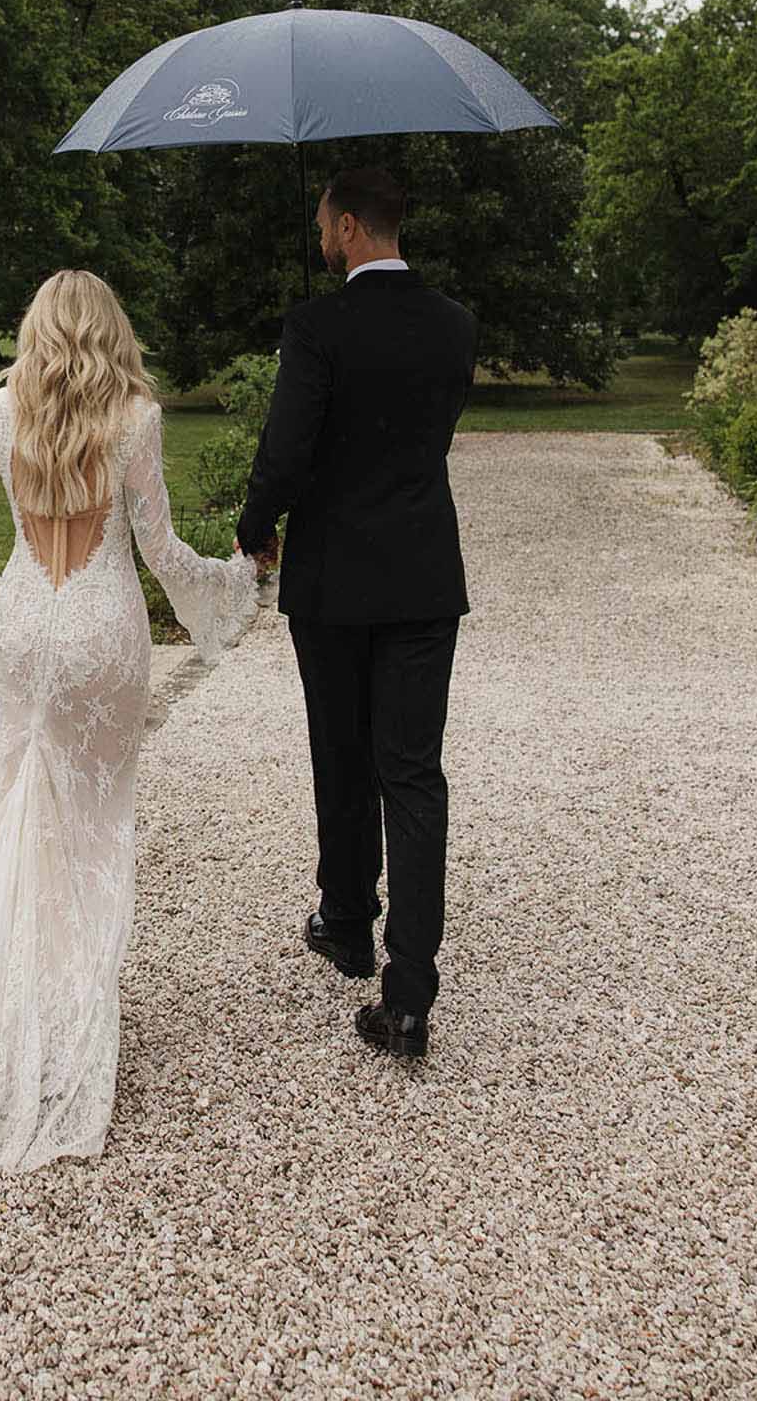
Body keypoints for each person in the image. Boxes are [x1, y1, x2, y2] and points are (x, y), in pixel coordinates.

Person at [0, 269, 259, 1259]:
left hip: (25, 628)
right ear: (110, 331)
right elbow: (159, 546)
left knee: (12, 819)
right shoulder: (135, 414)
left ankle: (9, 1016)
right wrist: (229, 588)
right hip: (101, 632)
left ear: (36, 329)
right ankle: (67, 1031)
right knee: (91, 831)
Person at [236, 166, 478, 1062]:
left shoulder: (317, 326)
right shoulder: (456, 326)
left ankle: (346, 923)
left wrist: (257, 525)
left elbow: (289, 446)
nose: (320, 234)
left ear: (347, 227)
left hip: (335, 582)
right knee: (413, 774)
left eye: (323, 221)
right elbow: (427, 438)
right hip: (422, 578)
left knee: (341, 756)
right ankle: (408, 994)